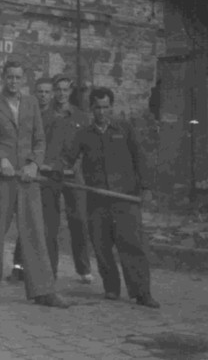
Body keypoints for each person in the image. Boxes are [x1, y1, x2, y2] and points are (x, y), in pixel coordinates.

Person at [0, 60, 68, 308]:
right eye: (10, 77)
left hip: (26, 178)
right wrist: (1, 158)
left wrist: (34, 164)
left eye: (18, 77)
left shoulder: (31, 103)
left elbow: (40, 141)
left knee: (35, 231)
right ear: (3, 78)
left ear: (23, 79)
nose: (13, 81)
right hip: (0, 179)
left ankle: (43, 291)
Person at [58, 87, 160, 308]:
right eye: (97, 108)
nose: (102, 112)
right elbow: (68, 160)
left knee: (132, 245)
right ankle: (111, 287)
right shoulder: (84, 134)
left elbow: (140, 158)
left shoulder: (124, 129)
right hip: (97, 199)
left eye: (105, 107)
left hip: (125, 198)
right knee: (101, 245)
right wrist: (58, 171)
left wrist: (146, 188)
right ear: (91, 109)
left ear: (111, 107)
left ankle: (142, 292)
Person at [8, 75, 94, 284]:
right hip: (47, 174)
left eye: (66, 90)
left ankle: (83, 268)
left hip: (73, 175)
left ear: (71, 91)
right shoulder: (44, 115)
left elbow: (87, 146)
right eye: (58, 90)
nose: (61, 94)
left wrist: (77, 165)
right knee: (44, 222)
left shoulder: (82, 117)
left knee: (79, 220)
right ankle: (27, 268)